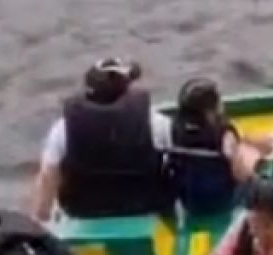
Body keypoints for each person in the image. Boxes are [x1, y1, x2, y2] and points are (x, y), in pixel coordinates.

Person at [29, 58, 175, 221]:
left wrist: (40, 217)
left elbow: (48, 176)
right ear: (127, 88)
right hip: (146, 209)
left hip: (82, 212)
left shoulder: (62, 129)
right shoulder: (157, 123)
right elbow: (178, 164)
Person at [166, 77, 270, 217]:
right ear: (211, 108)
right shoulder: (223, 133)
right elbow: (240, 174)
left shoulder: (176, 128)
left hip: (189, 201)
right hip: (221, 202)